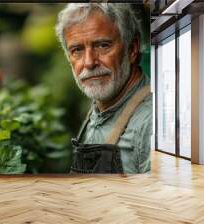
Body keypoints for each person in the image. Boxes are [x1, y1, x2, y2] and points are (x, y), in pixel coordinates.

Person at [55, 3, 152, 174]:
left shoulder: (150, 123)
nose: (89, 62)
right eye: (77, 50)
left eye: (102, 45)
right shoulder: (100, 106)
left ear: (132, 48)